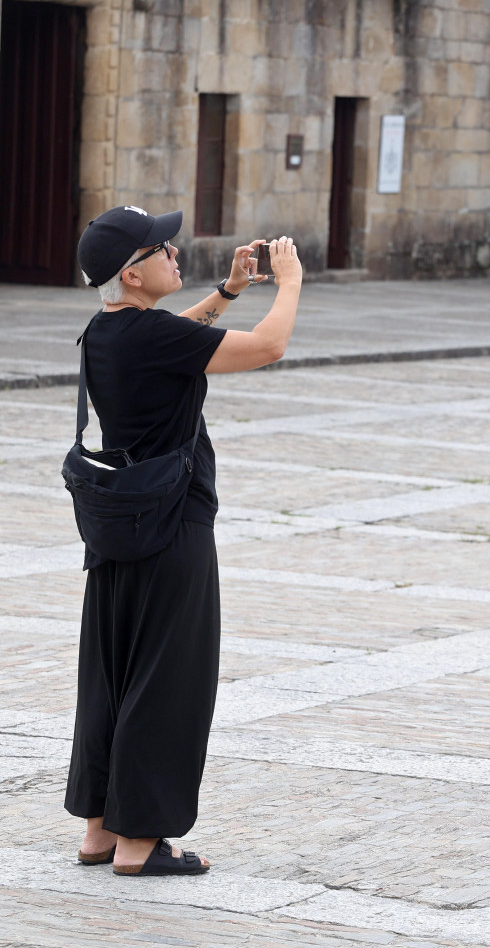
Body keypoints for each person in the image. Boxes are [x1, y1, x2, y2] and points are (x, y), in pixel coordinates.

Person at [65, 205, 302, 877]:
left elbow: (177, 336)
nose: (174, 252)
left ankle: (99, 829)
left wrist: (228, 291)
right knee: (167, 678)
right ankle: (140, 840)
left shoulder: (107, 329)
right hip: (173, 524)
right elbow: (267, 348)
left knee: (111, 672)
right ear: (131, 274)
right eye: (159, 248)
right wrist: (287, 283)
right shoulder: (149, 337)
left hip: (121, 526)